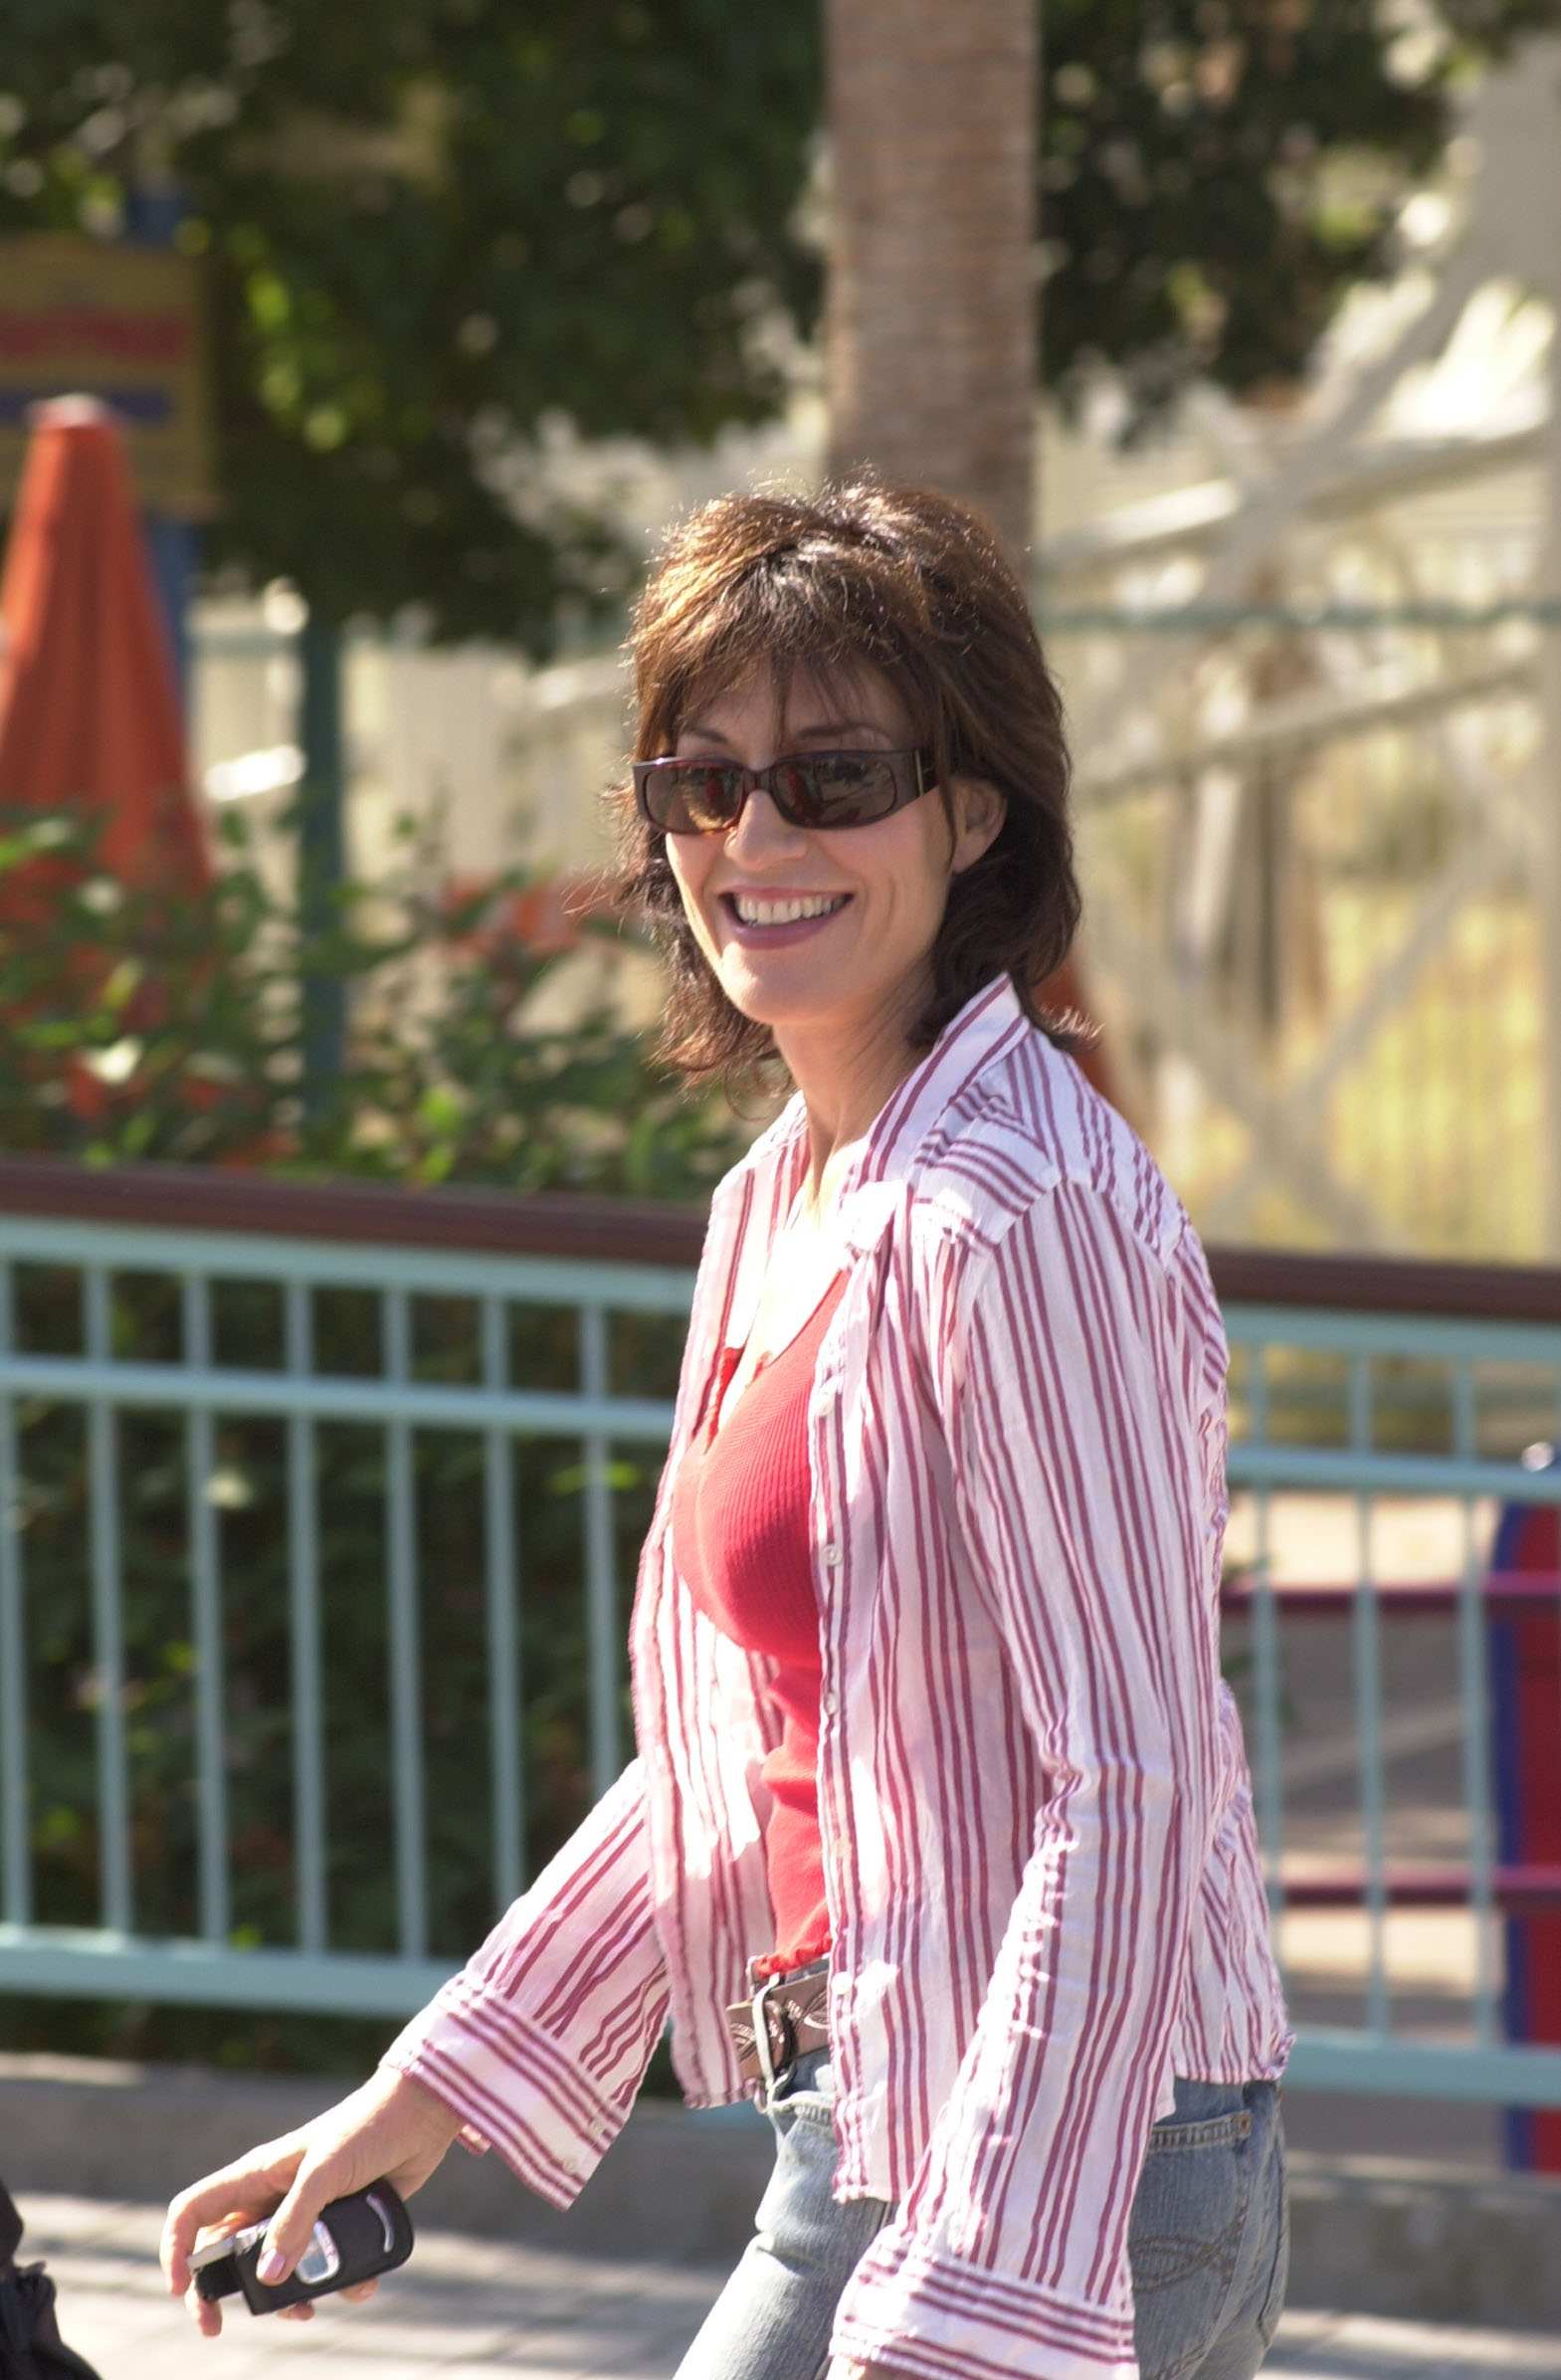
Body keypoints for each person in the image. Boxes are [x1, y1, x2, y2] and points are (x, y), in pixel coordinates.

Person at [161, 480, 1294, 2380]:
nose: (758, 837)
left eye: (835, 777)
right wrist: (425, 2095)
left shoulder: (1013, 1209)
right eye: (705, 782)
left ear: (973, 814)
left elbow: (1133, 1776)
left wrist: (979, 2291)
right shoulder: (789, 1199)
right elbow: (746, 1755)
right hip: (887, 2128)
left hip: (1054, 2167)